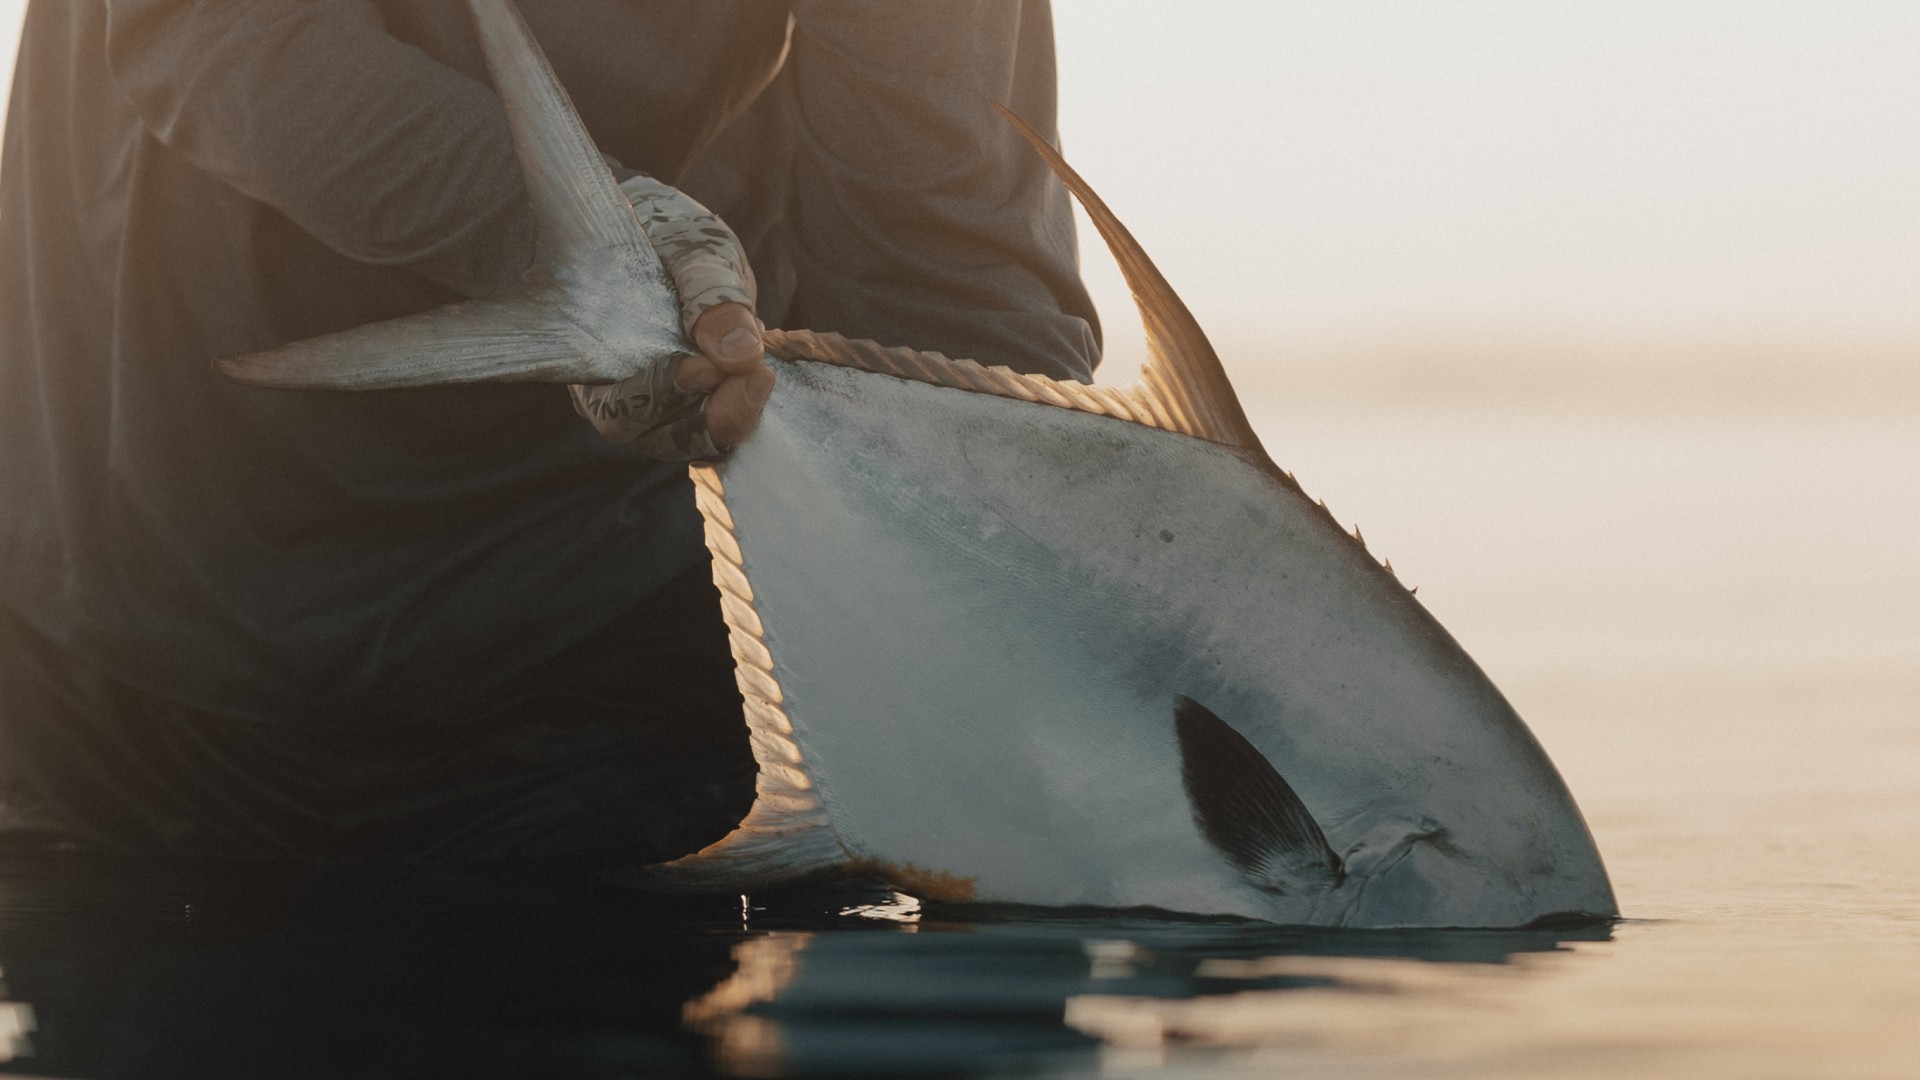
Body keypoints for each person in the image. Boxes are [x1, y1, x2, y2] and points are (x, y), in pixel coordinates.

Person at [0, 1, 1099, 864]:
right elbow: (216, 35)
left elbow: (950, 265)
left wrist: (1043, 575)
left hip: (613, 661)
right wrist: (597, 256)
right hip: (127, 650)